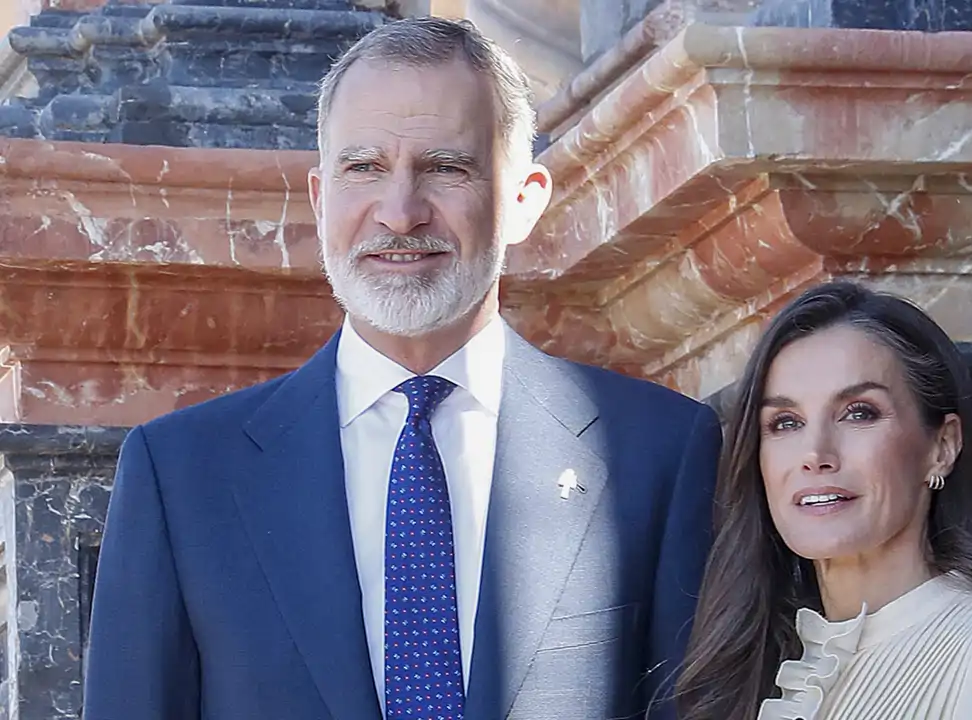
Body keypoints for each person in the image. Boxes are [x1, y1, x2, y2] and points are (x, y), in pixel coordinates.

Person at [82, 17, 721, 720]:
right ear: (322, 199)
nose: (400, 212)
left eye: (446, 168)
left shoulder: (658, 452)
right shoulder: (182, 475)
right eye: (365, 168)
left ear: (524, 199)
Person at [674, 280, 972, 720]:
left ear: (942, 447)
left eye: (859, 413)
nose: (815, 454)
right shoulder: (760, 667)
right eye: (785, 422)